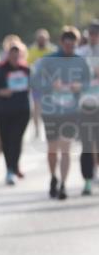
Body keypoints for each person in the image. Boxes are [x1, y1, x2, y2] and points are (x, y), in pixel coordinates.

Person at [31, 26, 92, 200]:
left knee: (66, 148)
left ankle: (63, 184)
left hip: (71, 111)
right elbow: (35, 81)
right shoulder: (47, 60)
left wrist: (80, 87)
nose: (69, 49)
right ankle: (53, 177)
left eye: (72, 46)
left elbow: (88, 83)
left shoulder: (81, 61)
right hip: (51, 111)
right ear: (61, 43)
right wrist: (51, 85)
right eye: (66, 45)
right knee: (52, 150)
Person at [0, 39, 32, 185]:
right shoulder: (0, 70)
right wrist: (1, 92)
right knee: (6, 141)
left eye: (17, 54)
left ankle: (13, 168)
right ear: (8, 54)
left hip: (22, 110)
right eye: (12, 54)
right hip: (3, 111)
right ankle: (9, 169)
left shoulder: (26, 70)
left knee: (16, 139)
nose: (14, 57)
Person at [76, 20, 99, 195]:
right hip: (85, 104)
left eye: (96, 33)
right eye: (90, 34)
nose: (93, 37)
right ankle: (88, 180)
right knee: (86, 143)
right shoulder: (80, 53)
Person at [27, 28, 56, 140]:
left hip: (49, 84)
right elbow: (28, 64)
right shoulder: (32, 50)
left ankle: (49, 127)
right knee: (36, 106)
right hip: (36, 84)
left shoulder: (52, 50)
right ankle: (37, 129)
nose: (41, 41)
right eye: (39, 39)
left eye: (43, 39)